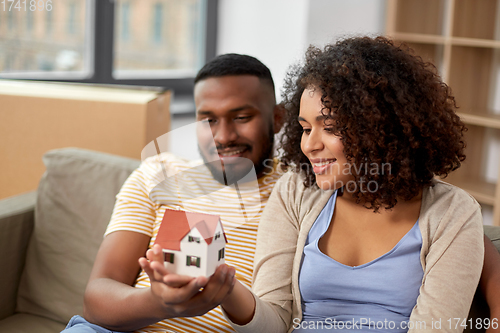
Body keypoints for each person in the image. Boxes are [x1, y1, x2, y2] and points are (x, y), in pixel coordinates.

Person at [214, 36, 485, 332]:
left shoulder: (453, 212)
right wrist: (228, 292)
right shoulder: (295, 191)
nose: (310, 145)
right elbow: (274, 323)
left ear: (380, 128)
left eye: (329, 128)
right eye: (305, 128)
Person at [62, 53, 283, 333]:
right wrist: (159, 303)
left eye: (241, 117)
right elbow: (95, 300)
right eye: (208, 120)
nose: (224, 137)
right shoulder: (159, 171)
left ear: (278, 118)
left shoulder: (298, 193)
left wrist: (225, 290)